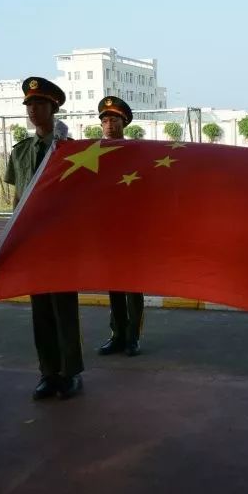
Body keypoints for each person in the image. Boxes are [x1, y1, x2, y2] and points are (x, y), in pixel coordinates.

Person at [3, 76, 85, 401]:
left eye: (40, 104)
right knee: (40, 311)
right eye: (29, 105)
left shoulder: (69, 149)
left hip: (60, 242)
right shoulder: (21, 152)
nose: (33, 110)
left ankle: (71, 372)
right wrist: (13, 236)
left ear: (54, 108)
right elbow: (17, 198)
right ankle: (48, 372)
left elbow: (79, 197)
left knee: (64, 308)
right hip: (31, 242)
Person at [93, 96, 146, 357]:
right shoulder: (93, 153)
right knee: (113, 284)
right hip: (107, 230)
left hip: (132, 230)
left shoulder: (136, 152)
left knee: (133, 286)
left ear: (124, 122)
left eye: (114, 119)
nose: (108, 124)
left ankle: (133, 337)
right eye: (104, 120)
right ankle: (117, 334)